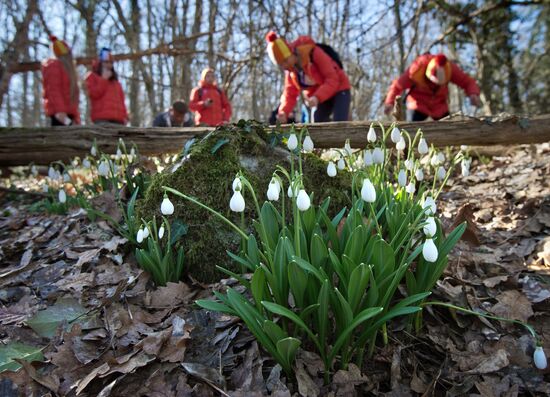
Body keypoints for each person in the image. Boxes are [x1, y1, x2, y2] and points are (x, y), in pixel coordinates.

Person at [265, 31, 351, 123]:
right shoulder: (291, 73)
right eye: (281, 64)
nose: (285, 66)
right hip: (321, 97)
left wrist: (317, 97)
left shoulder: (314, 53)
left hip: (340, 89)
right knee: (317, 121)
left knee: (339, 122)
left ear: (291, 53)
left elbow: (333, 79)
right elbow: (290, 94)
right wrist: (283, 112)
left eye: (285, 61)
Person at [384, 53, 481, 121]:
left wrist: (473, 94)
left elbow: (467, 81)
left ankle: (450, 149)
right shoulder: (416, 68)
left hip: (440, 106)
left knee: (448, 129)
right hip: (418, 104)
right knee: (412, 130)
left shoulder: (450, 68)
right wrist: (389, 102)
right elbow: (397, 86)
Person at [41, 35, 81, 126]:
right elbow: (53, 90)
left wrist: (76, 118)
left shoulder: (70, 71)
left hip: (69, 116)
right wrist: (60, 111)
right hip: (58, 115)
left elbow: (73, 98)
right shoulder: (54, 66)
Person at [84, 47, 128, 125]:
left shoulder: (116, 83)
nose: (109, 65)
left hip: (118, 120)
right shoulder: (91, 76)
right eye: (106, 62)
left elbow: (122, 101)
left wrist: (125, 116)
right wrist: (103, 80)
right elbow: (93, 94)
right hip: (102, 119)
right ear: (100, 62)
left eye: (111, 63)